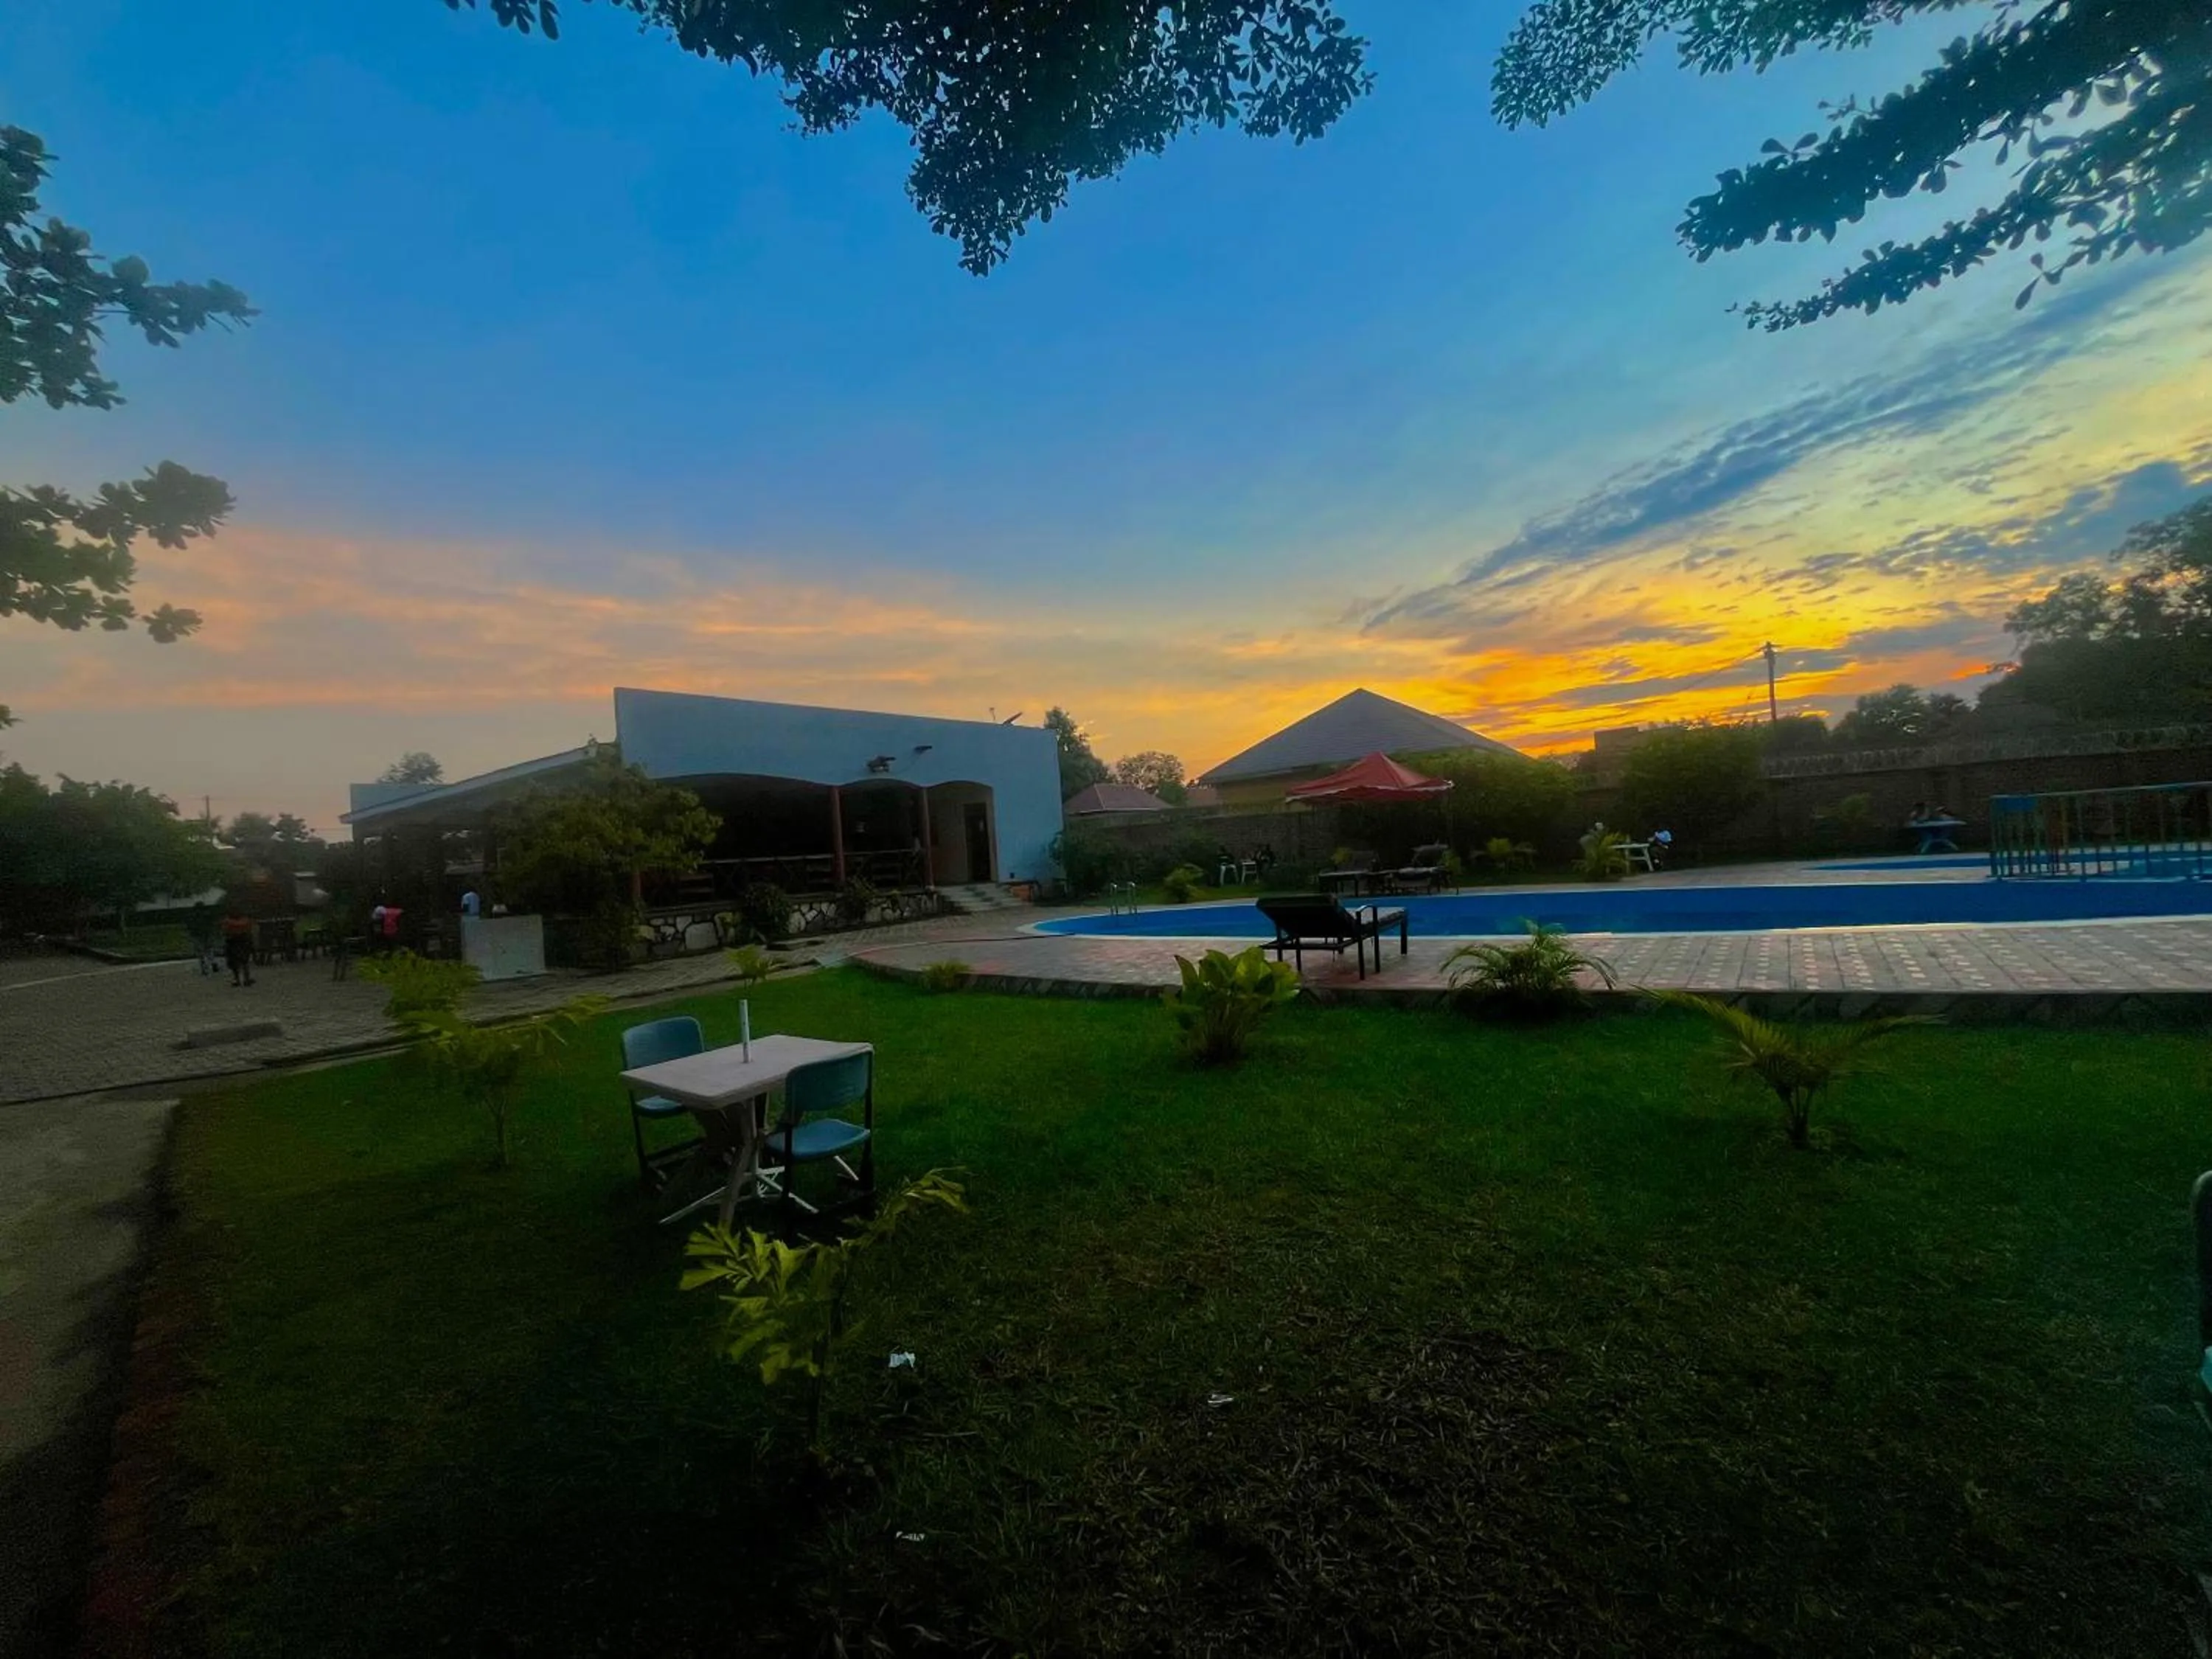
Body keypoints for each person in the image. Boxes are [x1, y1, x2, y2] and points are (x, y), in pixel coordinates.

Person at [220, 908, 257, 988]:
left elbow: (224, 931)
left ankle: (237, 980)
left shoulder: (227, 922)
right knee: (244, 961)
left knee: (234, 963)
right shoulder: (246, 921)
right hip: (243, 941)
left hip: (232, 941)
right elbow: (249, 930)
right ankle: (246, 979)